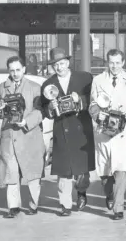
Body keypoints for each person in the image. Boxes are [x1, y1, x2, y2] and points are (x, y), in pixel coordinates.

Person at [40, 48, 95, 217]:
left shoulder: (85, 78)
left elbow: (94, 98)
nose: (59, 67)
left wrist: (81, 100)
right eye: (56, 65)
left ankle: (81, 192)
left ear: (68, 63)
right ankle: (65, 204)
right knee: (63, 170)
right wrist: (50, 107)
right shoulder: (47, 85)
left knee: (81, 169)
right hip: (61, 129)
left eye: (62, 63)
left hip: (80, 127)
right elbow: (43, 107)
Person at [0, 56, 46, 218]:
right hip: (9, 137)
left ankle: (33, 204)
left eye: (18, 70)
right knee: (11, 173)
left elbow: (40, 111)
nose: (15, 73)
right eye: (12, 70)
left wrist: (27, 121)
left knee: (33, 174)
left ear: (24, 69)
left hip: (29, 136)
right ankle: (13, 207)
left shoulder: (35, 88)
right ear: (8, 71)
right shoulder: (1, 88)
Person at [88, 49, 126, 220]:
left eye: (118, 62)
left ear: (123, 62)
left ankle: (119, 207)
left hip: (124, 132)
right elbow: (92, 104)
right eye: (111, 62)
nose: (115, 66)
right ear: (107, 62)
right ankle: (109, 194)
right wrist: (96, 114)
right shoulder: (98, 80)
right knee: (105, 173)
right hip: (104, 131)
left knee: (121, 170)